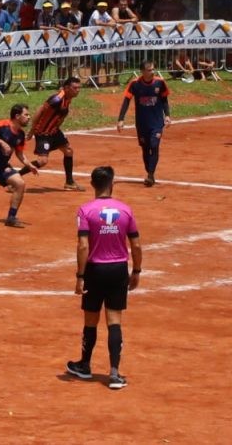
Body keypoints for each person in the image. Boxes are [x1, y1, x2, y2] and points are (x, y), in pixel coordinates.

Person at [66, 165, 142, 390]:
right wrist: (136, 271)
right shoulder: (125, 210)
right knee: (114, 321)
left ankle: (85, 365)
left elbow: (82, 245)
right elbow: (135, 244)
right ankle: (115, 374)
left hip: (95, 270)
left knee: (91, 320)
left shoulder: (85, 210)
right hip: (118, 269)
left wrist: (80, 276)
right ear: (112, 183)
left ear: (92, 184)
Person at [25, 76, 84, 191]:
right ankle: (14, 177)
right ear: (67, 88)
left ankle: (69, 182)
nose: (78, 90)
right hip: (43, 132)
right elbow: (40, 111)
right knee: (42, 161)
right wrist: (32, 130)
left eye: (79, 88)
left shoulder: (68, 98)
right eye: (75, 88)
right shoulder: (56, 99)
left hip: (54, 131)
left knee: (68, 151)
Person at [117, 61, 171, 187]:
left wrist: (167, 115)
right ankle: (149, 171)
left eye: (153, 69)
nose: (153, 72)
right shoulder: (135, 84)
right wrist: (121, 119)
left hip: (157, 122)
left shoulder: (160, 82)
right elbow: (126, 101)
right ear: (142, 71)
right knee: (145, 148)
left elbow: (164, 100)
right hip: (142, 123)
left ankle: (150, 175)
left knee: (154, 145)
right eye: (150, 70)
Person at [88, 1, 116, 86]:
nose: (102, 8)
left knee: (99, 61)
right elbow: (97, 22)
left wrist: (110, 23)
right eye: (101, 7)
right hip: (93, 40)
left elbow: (113, 21)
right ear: (98, 7)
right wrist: (108, 24)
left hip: (101, 40)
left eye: (104, 7)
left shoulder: (105, 13)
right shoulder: (96, 12)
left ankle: (95, 78)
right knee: (95, 60)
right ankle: (93, 79)